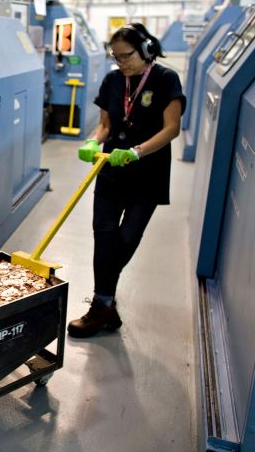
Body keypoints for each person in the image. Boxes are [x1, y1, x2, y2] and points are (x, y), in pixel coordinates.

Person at [68, 23, 186, 338]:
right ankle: (102, 304)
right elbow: (105, 125)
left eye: (127, 56)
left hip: (147, 174)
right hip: (110, 171)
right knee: (103, 235)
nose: (122, 63)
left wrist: (136, 152)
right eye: (116, 57)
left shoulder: (165, 79)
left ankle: (103, 303)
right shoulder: (112, 80)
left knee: (125, 241)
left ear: (146, 49)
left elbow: (171, 128)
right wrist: (93, 141)